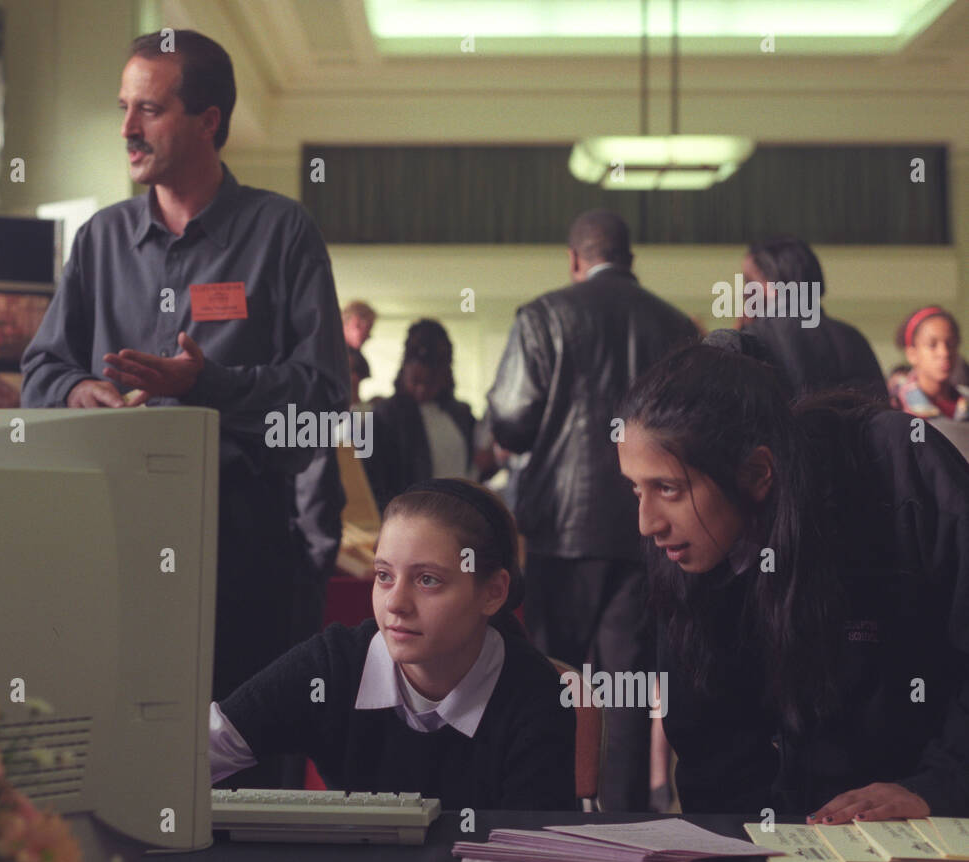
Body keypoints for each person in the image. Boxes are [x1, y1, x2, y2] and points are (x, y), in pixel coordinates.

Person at [19, 31, 349, 728]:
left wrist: (209, 384)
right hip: (111, 539)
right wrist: (86, 393)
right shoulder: (101, 239)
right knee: (118, 739)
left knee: (239, 751)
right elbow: (42, 369)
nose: (126, 130)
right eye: (123, 108)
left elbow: (323, 397)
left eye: (149, 110)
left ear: (209, 122)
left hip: (244, 544)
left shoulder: (282, 231)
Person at [617, 333, 969, 819]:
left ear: (759, 473)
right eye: (636, 490)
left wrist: (940, 785)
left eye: (668, 489)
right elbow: (710, 756)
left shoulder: (896, 469)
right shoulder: (683, 541)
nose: (647, 523)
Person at [487, 208, 696, 812]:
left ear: (574, 260)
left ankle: (551, 811)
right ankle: (626, 822)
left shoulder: (544, 315)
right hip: (648, 532)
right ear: (631, 259)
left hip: (560, 529)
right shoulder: (674, 325)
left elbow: (510, 420)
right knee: (627, 687)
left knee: (554, 678)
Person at [209, 479, 576, 810]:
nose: (395, 603)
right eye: (384, 576)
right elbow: (193, 757)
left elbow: (534, 850)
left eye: (428, 580)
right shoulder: (332, 669)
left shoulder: (534, 694)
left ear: (493, 593)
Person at [738, 235, 885, 398]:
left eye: (749, 281)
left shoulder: (755, 338)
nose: (745, 292)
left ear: (774, 284)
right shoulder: (852, 336)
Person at [364, 319, 474, 512]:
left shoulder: (461, 414)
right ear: (404, 371)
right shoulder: (384, 416)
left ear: (445, 377)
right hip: (409, 524)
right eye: (415, 381)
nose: (422, 390)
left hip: (458, 517)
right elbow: (374, 485)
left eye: (431, 382)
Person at [889, 306, 969, 421]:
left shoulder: (964, 402)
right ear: (912, 354)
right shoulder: (896, 405)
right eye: (932, 345)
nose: (944, 353)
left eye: (950, 344)